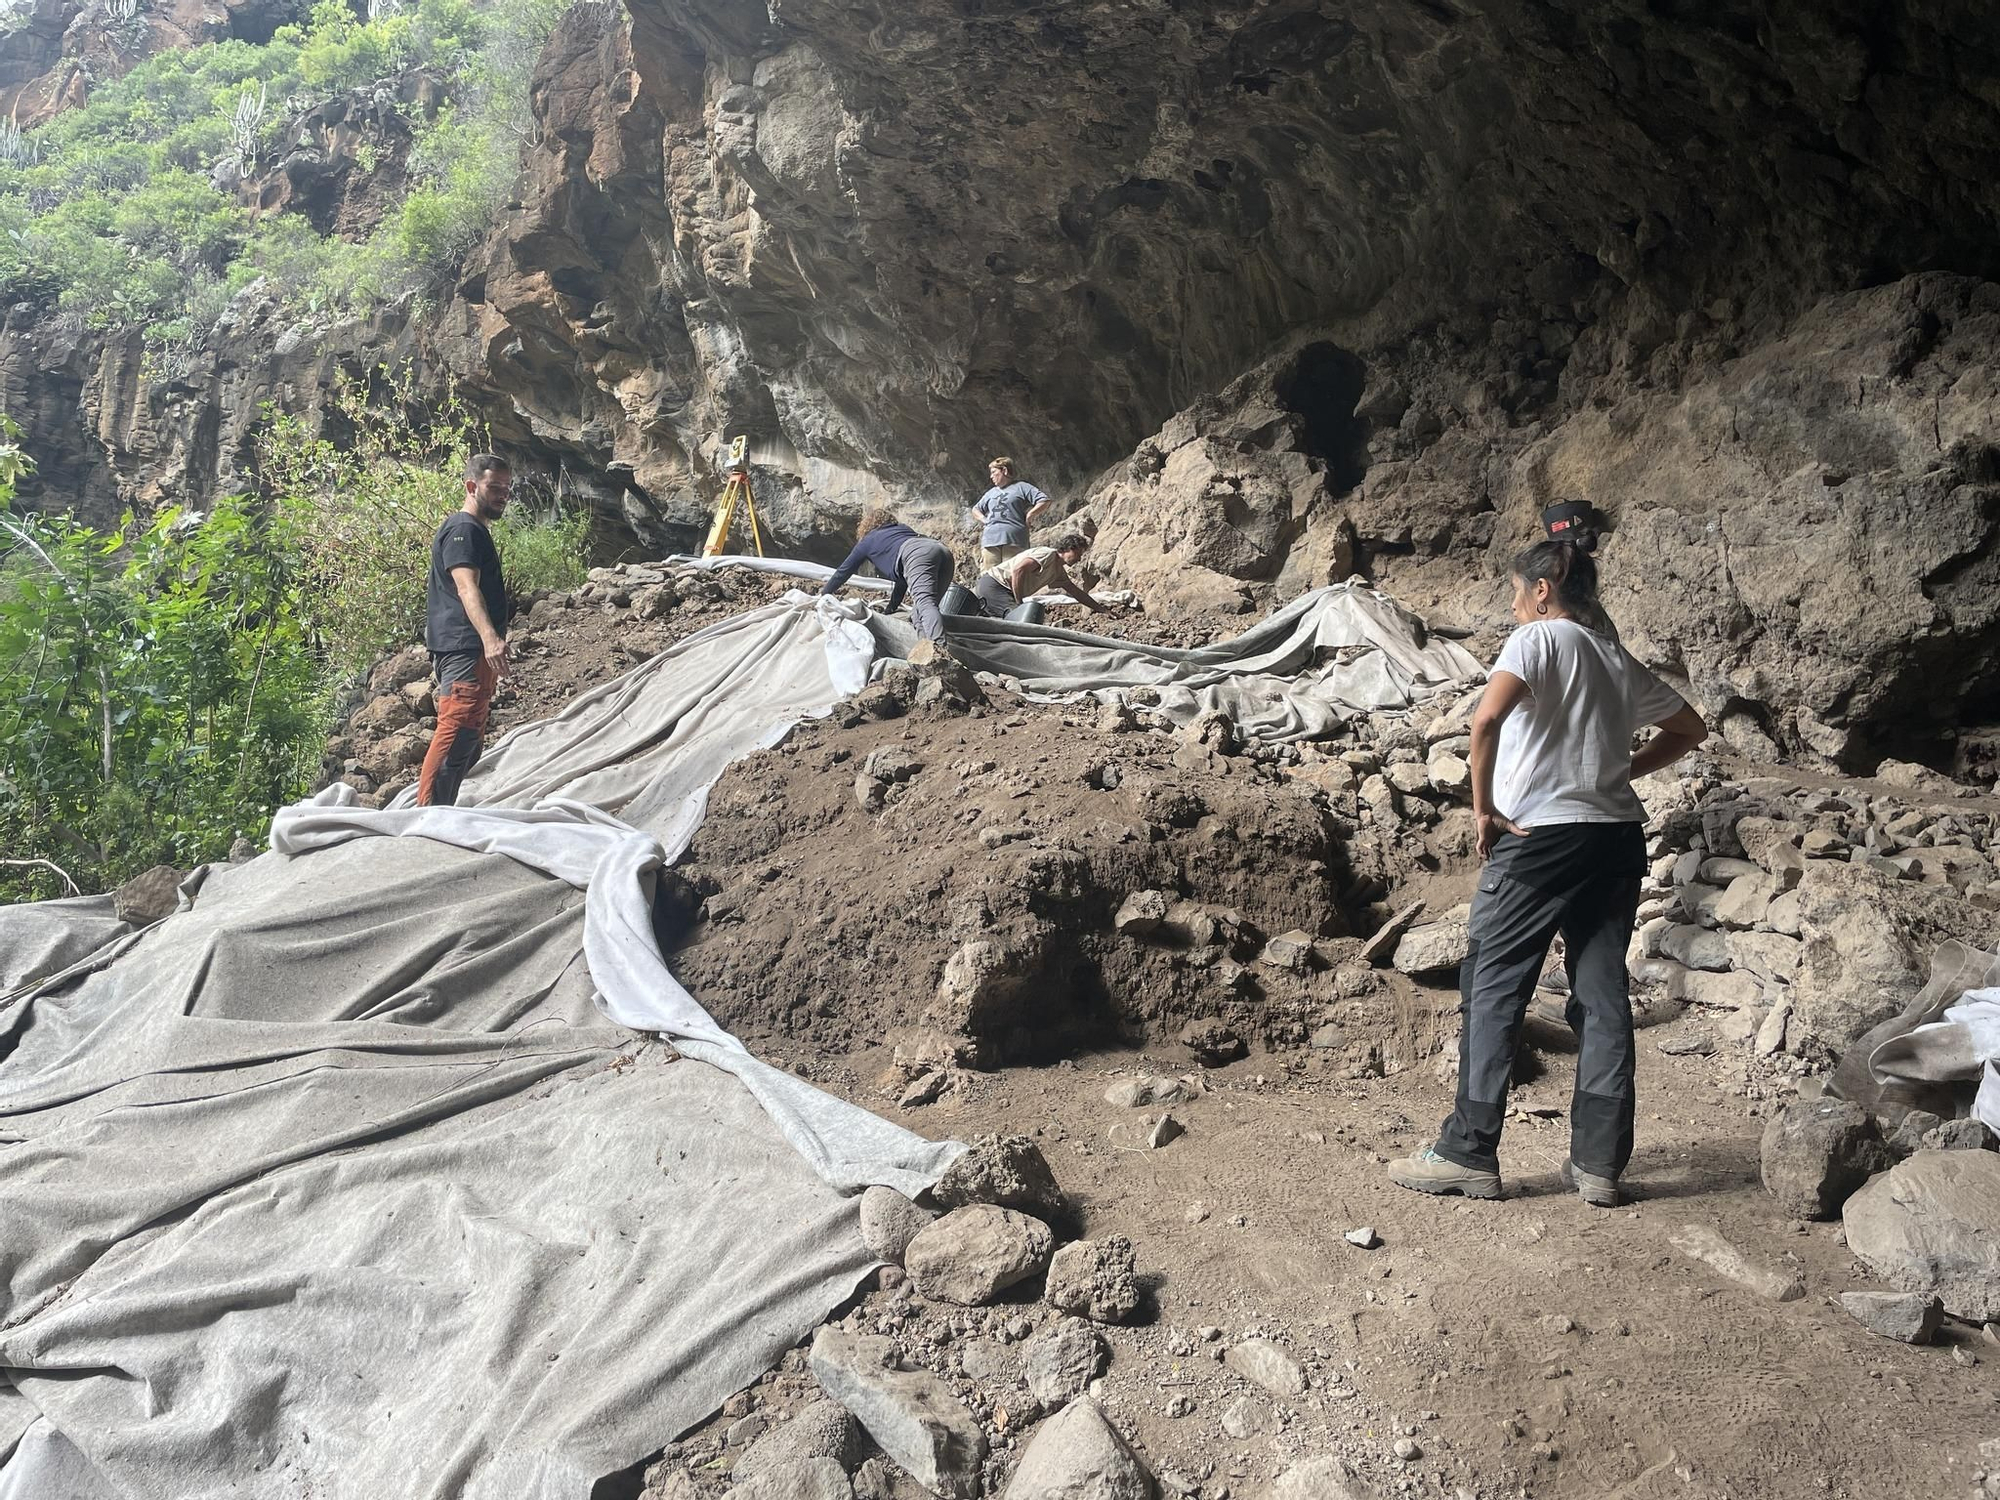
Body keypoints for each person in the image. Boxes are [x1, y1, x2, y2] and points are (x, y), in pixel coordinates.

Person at [1386, 537, 1708, 1207]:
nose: (1512, 604)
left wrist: (1483, 811)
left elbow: (1486, 721)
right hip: (1615, 838)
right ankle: (1598, 1165)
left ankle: (1466, 1152)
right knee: (1600, 992)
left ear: (1542, 589)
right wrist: (1620, 774)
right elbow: (1689, 729)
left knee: (1494, 981)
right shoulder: (1616, 658)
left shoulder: (1538, 641)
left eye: (1515, 591)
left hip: (1543, 838)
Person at [417, 454, 513, 807]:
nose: (503, 494)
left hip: (470, 651)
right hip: (464, 647)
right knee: (456, 729)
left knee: (468, 735)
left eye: (507, 487)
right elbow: (466, 587)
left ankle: (442, 814)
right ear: (471, 486)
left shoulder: (475, 530)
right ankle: (425, 820)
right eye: (494, 487)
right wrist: (490, 638)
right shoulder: (464, 529)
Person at [818, 508, 956, 665]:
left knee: (925, 604)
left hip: (917, 554)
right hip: (942, 550)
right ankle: (926, 656)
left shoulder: (868, 540)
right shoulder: (902, 530)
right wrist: (892, 607)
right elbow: (902, 581)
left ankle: (941, 653)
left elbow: (844, 571)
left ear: (867, 526)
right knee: (919, 613)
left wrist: (825, 593)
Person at [972, 533, 1109, 619]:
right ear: (1069, 548)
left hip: (1002, 590)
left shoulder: (1057, 571)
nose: (1079, 559)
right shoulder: (1047, 554)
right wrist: (1019, 602)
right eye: (1078, 554)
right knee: (1019, 620)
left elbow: (1076, 592)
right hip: (995, 584)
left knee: (1010, 619)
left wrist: (1102, 609)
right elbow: (1018, 570)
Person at [967, 456, 1050, 568]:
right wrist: (985, 520)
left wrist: (1030, 514)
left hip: (1014, 539)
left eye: (993, 472)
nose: (991, 477)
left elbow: (1044, 500)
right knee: (989, 575)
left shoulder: (1022, 487)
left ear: (1004, 470)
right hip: (990, 539)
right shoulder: (991, 493)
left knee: (1011, 573)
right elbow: (976, 509)